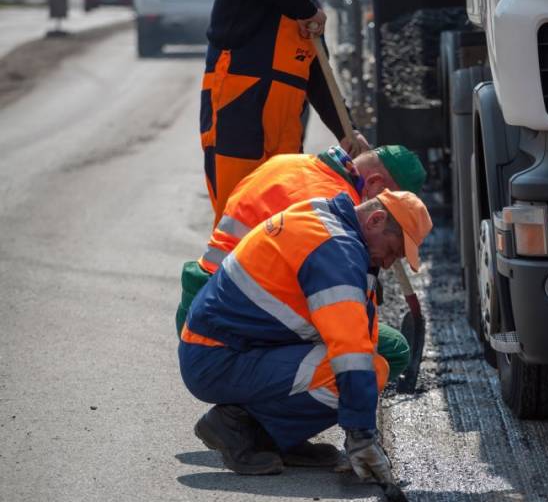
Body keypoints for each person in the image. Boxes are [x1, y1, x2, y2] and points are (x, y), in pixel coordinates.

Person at [178, 190, 433, 476]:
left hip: (230, 346)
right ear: (375, 220)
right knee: (361, 371)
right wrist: (361, 435)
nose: (389, 262)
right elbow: (350, 350)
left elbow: (363, 335)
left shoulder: (331, 222)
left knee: (371, 366)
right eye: (393, 250)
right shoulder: (335, 250)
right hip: (216, 358)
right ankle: (237, 428)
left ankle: (279, 437)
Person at [176, 144, 427, 380]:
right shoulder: (333, 209)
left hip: (197, 298)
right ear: (375, 183)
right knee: (387, 351)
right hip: (231, 322)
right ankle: (251, 414)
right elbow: (339, 311)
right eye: (393, 204)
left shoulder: (288, 163)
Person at [200, 0, 370, 227]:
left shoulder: (308, 9)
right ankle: (226, 263)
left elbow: (319, 76)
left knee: (281, 220)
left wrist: (346, 130)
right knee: (238, 213)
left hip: (286, 121)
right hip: (240, 104)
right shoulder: (305, 9)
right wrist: (306, 10)